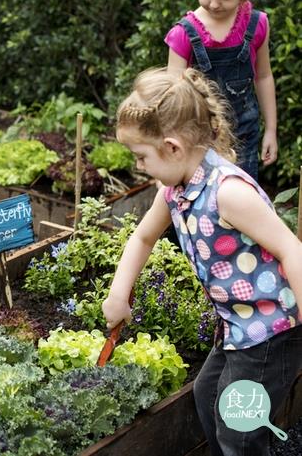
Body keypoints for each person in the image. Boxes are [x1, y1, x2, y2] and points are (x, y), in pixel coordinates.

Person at [102, 67, 302, 456]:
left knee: (239, 430)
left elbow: (290, 248)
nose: (139, 166)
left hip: (271, 330)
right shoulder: (175, 190)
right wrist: (118, 293)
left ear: (173, 147)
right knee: (208, 394)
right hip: (238, 323)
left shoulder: (228, 193)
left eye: (141, 156)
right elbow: (143, 237)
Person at [165, 0, 276, 182]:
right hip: (198, 140)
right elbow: (173, 95)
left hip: (244, 138)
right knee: (201, 204)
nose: (214, 4)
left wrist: (271, 129)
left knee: (240, 200)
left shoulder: (257, 24)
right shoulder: (184, 34)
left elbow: (264, 77)